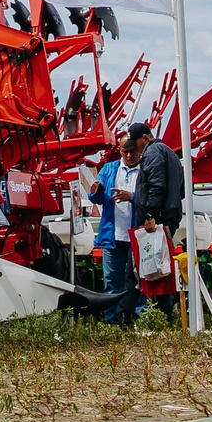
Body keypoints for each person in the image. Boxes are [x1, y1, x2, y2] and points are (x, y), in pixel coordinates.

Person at [129, 120, 188, 320]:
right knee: (162, 267)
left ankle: (159, 317)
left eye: (135, 142)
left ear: (144, 138)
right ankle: (165, 316)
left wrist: (149, 215)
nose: (134, 148)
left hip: (158, 220)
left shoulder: (152, 153)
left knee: (152, 268)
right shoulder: (170, 153)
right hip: (169, 216)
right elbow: (181, 188)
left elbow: (156, 186)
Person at [89, 134, 142, 324]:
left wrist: (132, 197)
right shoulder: (110, 169)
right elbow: (94, 197)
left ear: (140, 150)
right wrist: (96, 191)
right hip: (113, 235)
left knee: (139, 280)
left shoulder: (145, 171)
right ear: (119, 151)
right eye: (125, 151)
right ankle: (113, 322)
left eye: (133, 151)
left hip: (138, 235)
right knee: (112, 281)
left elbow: (152, 197)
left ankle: (139, 320)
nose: (129, 156)